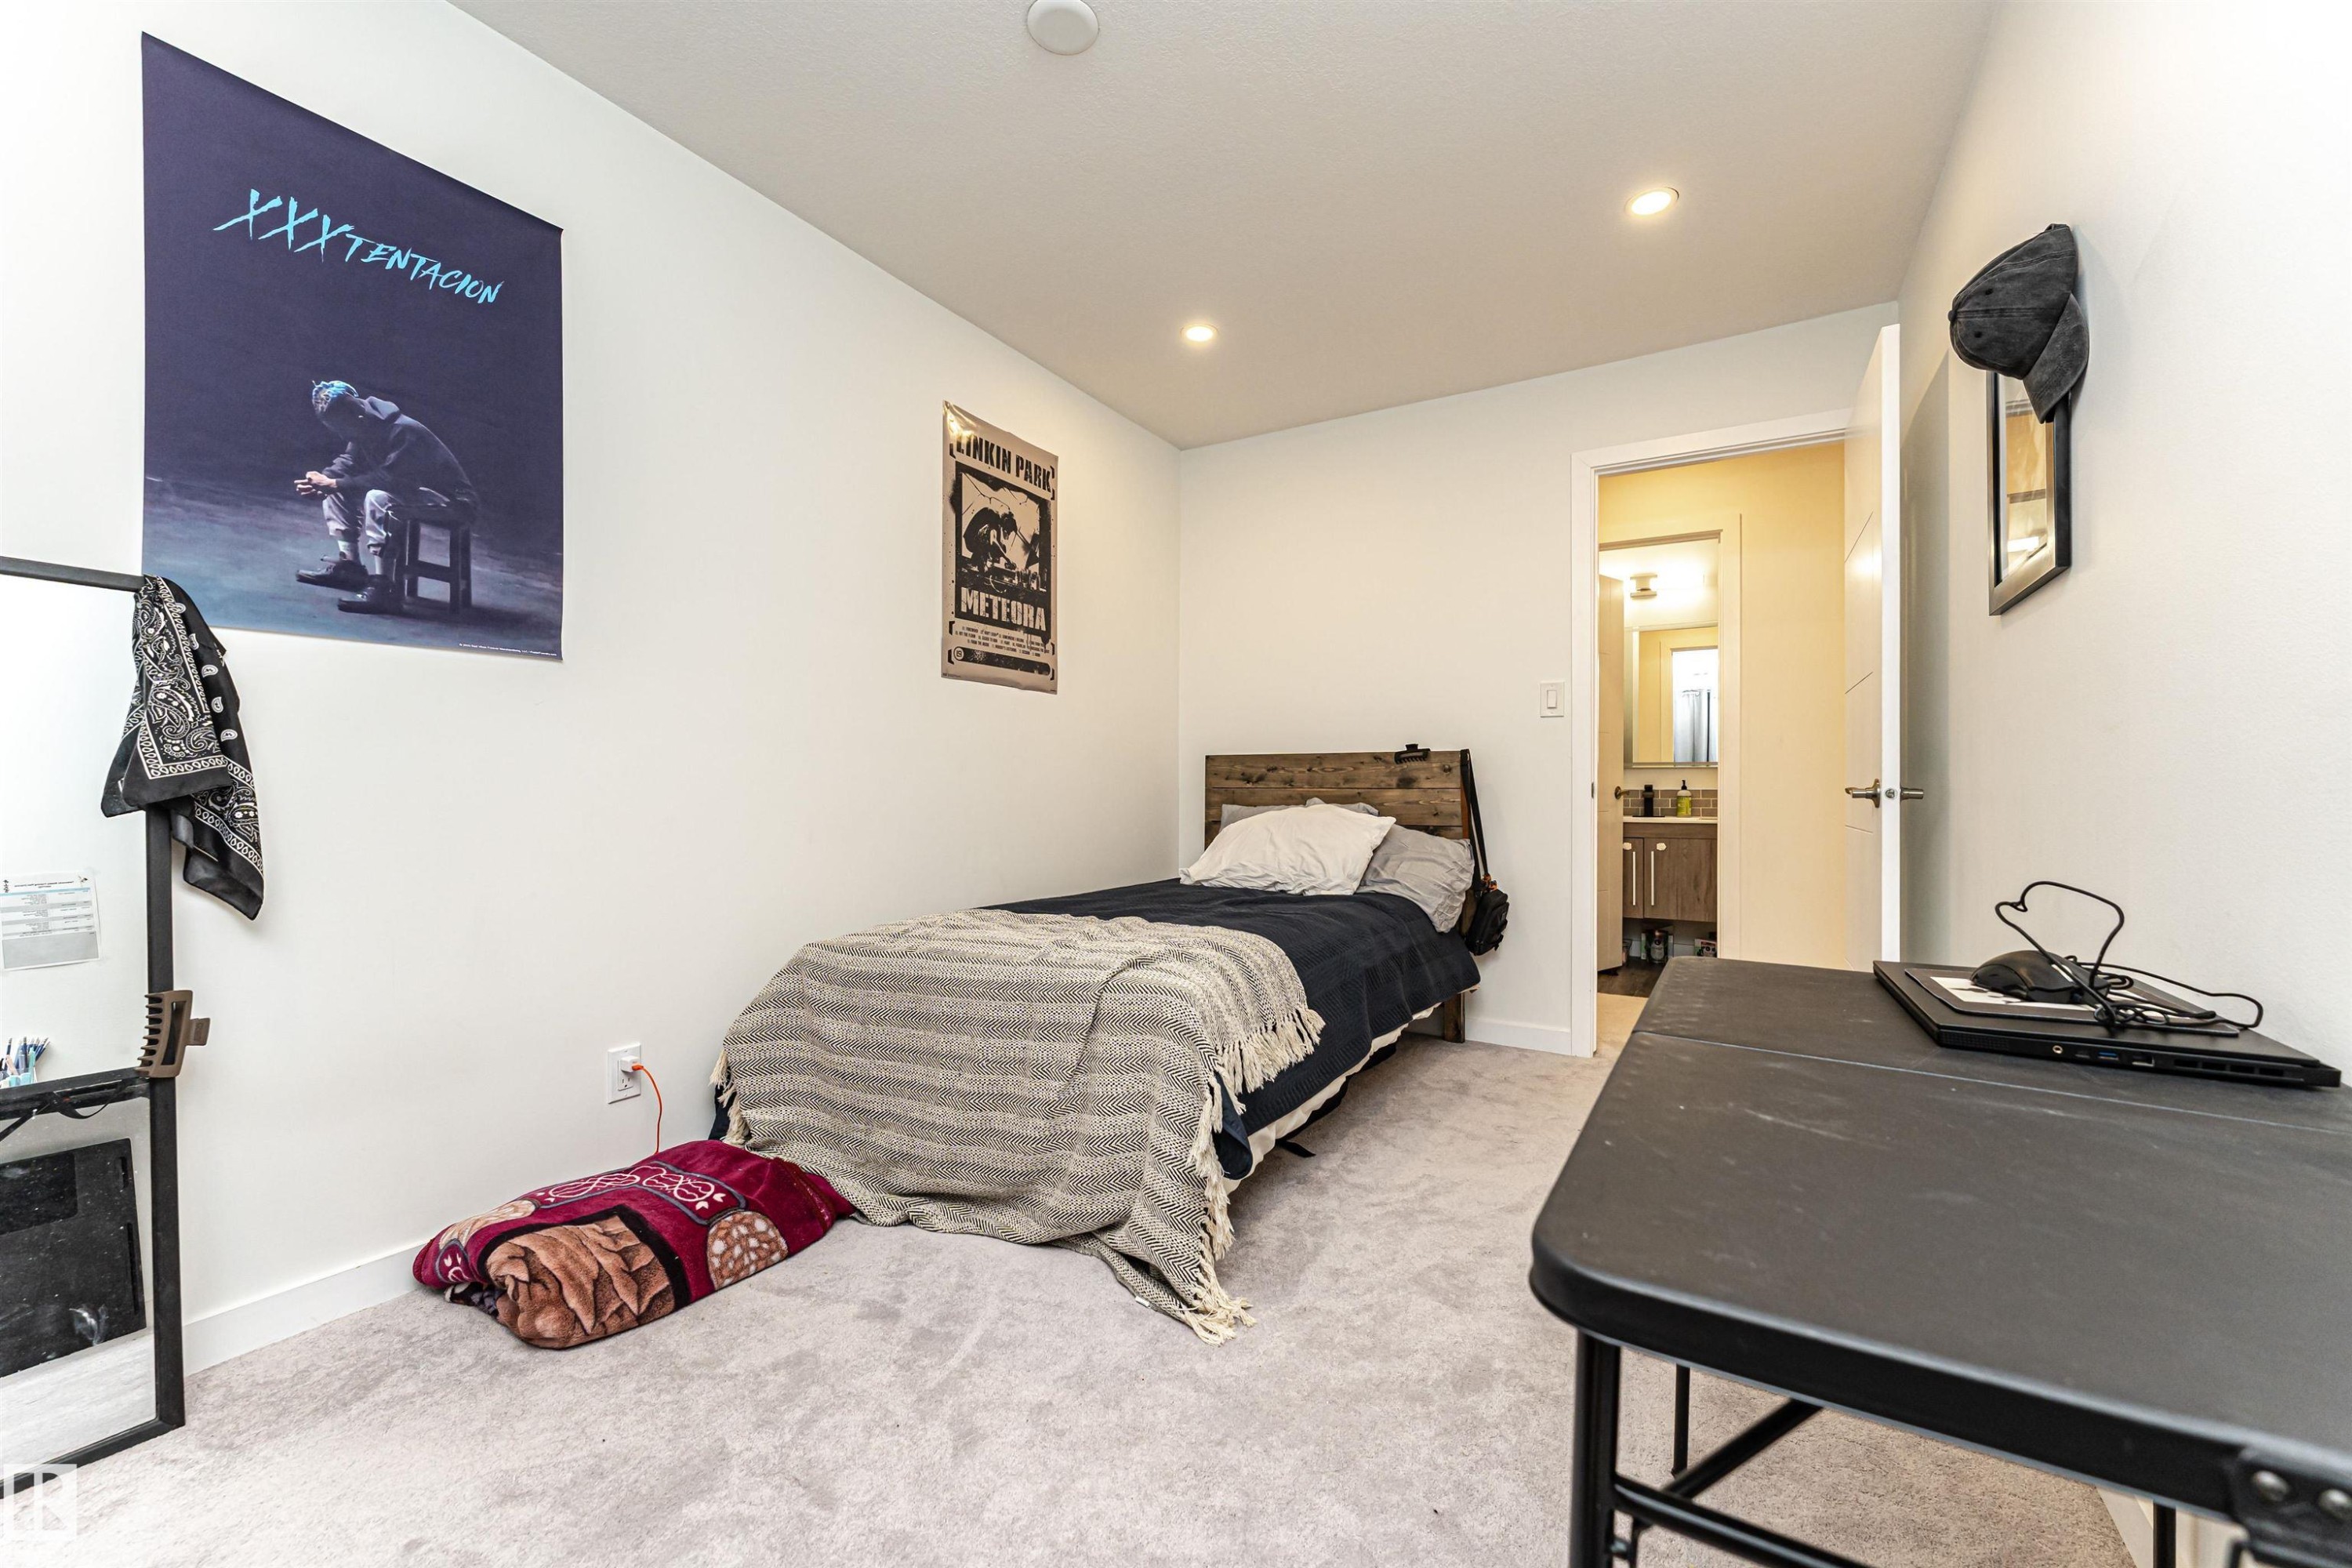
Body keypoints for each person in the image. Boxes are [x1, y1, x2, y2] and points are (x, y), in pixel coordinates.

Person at [293, 381, 479, 615]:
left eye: (341, 427)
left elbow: (392, 480)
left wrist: (333, 483)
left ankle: (384, 586)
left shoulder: (404, 430)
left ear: (357, 414)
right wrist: (323, 480)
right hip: (413, 492)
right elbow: (349, 463)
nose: (341, 434)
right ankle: (350, 567)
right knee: (337, 488)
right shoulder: (362, 426)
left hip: (454, 503)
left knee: (379, 498)